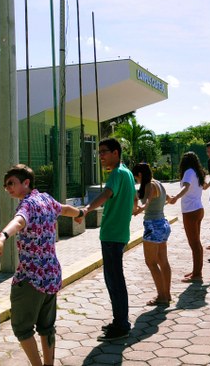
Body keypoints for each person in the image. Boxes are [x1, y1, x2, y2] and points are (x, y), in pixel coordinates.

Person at [0, 164, 83, 366]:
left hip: (31, 278)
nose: (8, 188)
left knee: (22, 329)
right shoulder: (47, 199)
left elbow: (19, 221)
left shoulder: (28, 204)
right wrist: (80, 213)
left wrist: (3, 236)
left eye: (11, 183)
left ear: (26, 182)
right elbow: (65, 209)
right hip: (52, 274)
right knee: (46, 326)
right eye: (6, 185)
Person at [80, 138, 136, 341]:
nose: (101, 156)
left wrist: (86, 209)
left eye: (104, 152)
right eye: (99, 152)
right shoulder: (127, 173)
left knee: (114, 281)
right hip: (117, 234)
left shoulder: (117, 173)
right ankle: (119, 320)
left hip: (113, 235)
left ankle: (121, 325)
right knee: (114, 280)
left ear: (115, 153)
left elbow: (106, 194)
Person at [131, 163, 172, 306]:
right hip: (163, 224)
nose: (136, 180)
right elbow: (169, 198)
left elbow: (147, 201)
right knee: (163, 261)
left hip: (153, 225)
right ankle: (166, 294)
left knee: (151, 262)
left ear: (140, 175)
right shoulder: (159, 183)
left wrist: (139, 209)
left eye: (136, 177)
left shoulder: (149, 185)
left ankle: (161, 296)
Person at [167, 152, 206, 283]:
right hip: (198, 209)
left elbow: (186, 187)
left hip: (191, 211)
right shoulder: (197, 172)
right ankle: (197, 271)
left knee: (194, 244)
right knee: (196, 243)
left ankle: (197, 274)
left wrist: (176, 197)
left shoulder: (189, 172)